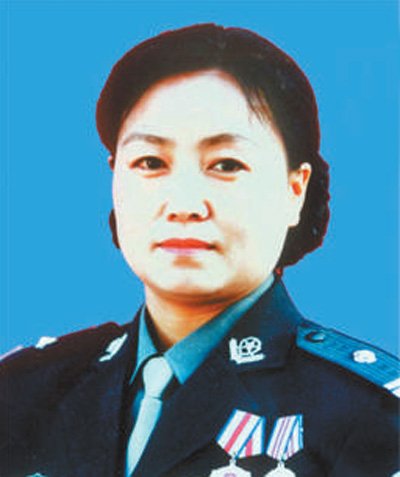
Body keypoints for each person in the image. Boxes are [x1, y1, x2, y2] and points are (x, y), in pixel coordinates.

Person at [1, 24, 399, 477]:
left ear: (295, 190)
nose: (185, 205)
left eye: (226, 164)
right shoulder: (26, 392)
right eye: (150, 163)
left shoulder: (370, 416)